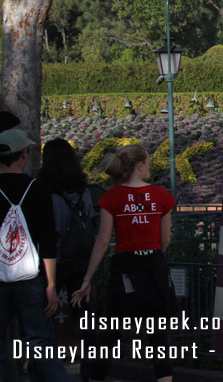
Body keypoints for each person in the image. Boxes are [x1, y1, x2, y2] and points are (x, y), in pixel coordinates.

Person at [72, 145, 176, 382]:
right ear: (140, 166)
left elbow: (103, 240)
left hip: (125, 268)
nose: (149, 166)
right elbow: (166, 238)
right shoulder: (162, 196)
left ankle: (96, 378)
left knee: (112, 331)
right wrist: (151, 254)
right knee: (158, 334)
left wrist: (88, 278)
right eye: (148, 162)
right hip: (154, 265)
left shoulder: (112, 197)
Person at [0, 129, 68, 381]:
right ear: (23, 155)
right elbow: (48, 241)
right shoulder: (37, 189)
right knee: (41, 343)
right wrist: (51, 285)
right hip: (31, 277)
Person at [40, 139, 96, 381]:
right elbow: (92, 224)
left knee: (43, 322)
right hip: (81, 262)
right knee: (87, 322)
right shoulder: (83, 189)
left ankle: (48, 373)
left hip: (51, 261)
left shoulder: (42, 191)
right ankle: (90, 373)